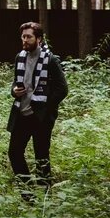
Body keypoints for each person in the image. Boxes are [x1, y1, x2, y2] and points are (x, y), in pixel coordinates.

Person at [6, 21, 68, 188]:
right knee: (14, 152)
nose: (25, 40)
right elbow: (15, 83)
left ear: (39, 39)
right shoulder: (20, 57)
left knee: (41, 156)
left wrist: (45, 107)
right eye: (23, 36)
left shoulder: (50, 60)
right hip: (22, 113)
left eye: (29, 37)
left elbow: (62, 89)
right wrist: (14, 91)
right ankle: (28, 193)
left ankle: (45, 196)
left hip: (41, 116)